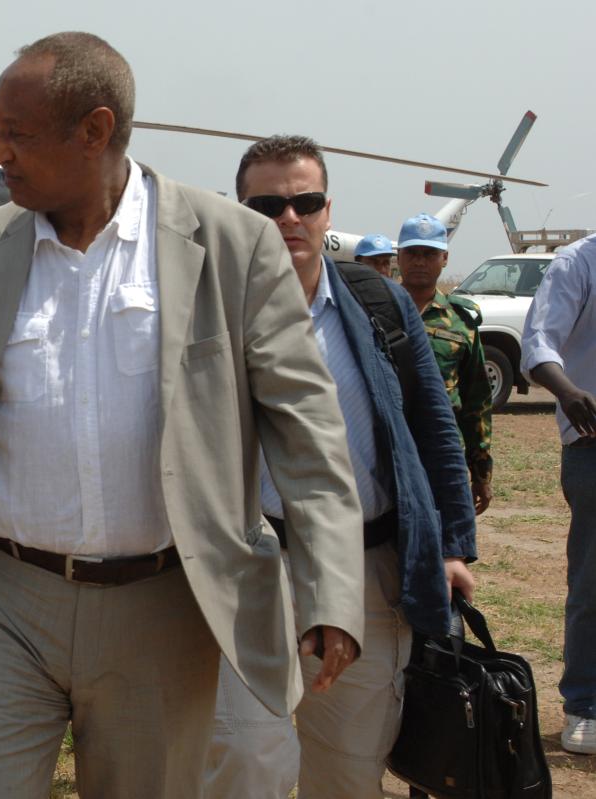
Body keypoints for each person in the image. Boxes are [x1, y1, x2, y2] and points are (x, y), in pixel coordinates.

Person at [0, 34, 367, 798]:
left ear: (94, 130)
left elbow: (308, 429)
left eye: (16, 133)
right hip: (0, 599)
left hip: (164, 606)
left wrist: (331, 589)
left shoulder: (233, 245)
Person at [206, 136, 478, 799]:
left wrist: (451, 546)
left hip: (366, 570)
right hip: (249, 571)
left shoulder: (378, 305)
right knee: (246, 757)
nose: (288, 218)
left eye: (305, 203)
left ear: (328, 210)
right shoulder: (205, 310)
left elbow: (433, 429)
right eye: (267, 206)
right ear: (240, 215)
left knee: (350, 769)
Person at [520, 232, 596, 755]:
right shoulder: (578, 263)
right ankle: (584, 705)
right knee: (592, 581)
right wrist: (567, 391)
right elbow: (538, 342)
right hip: (593, 444)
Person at [398, 213, 493, 515]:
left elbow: (477, 400)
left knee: (444, 531)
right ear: (398, 257)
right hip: (387, 450)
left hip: (441, 450)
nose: (420, 261)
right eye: (412, 253)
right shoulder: (376, 310)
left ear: (445, 258)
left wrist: (481, 473)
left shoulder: (460, 321)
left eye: (429, 254)